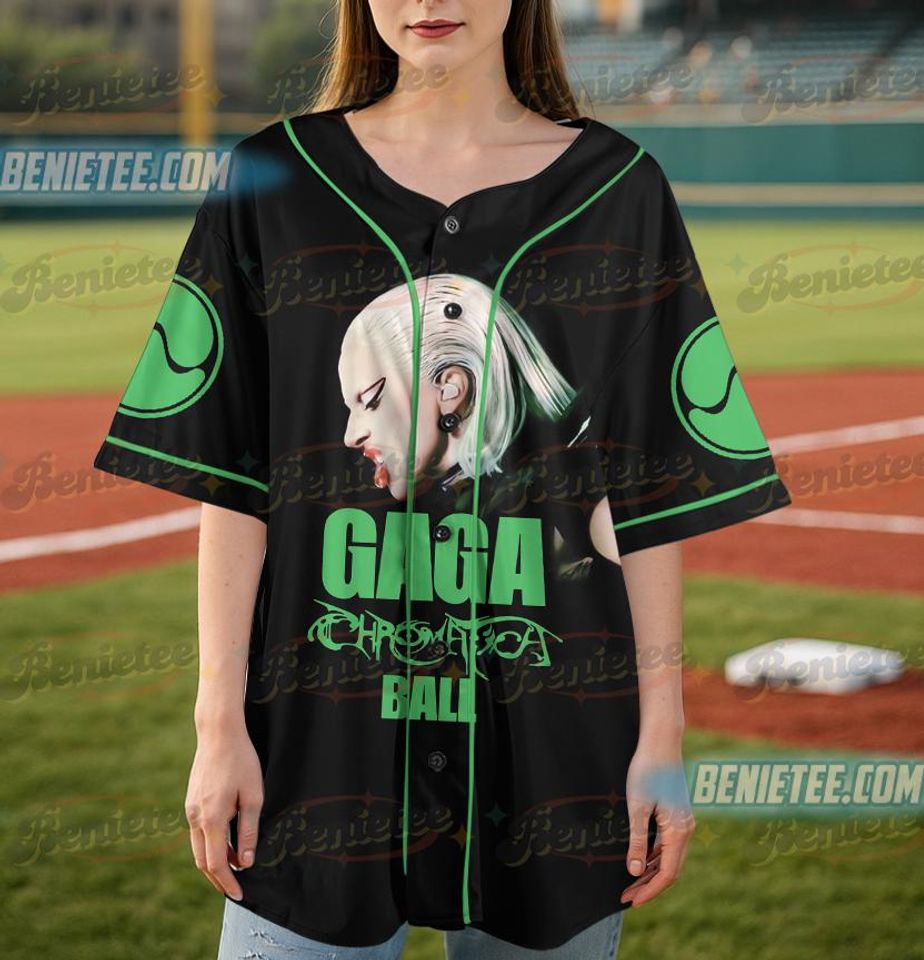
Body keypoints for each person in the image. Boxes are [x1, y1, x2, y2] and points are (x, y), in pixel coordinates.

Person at [92, 1, 793, 958]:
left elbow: (642, 504)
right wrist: (218, 727)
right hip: (313, 744)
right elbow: (236, 484)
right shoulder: (272, 181)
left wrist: (661, 741)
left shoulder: (619, 190)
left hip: (555, 745)